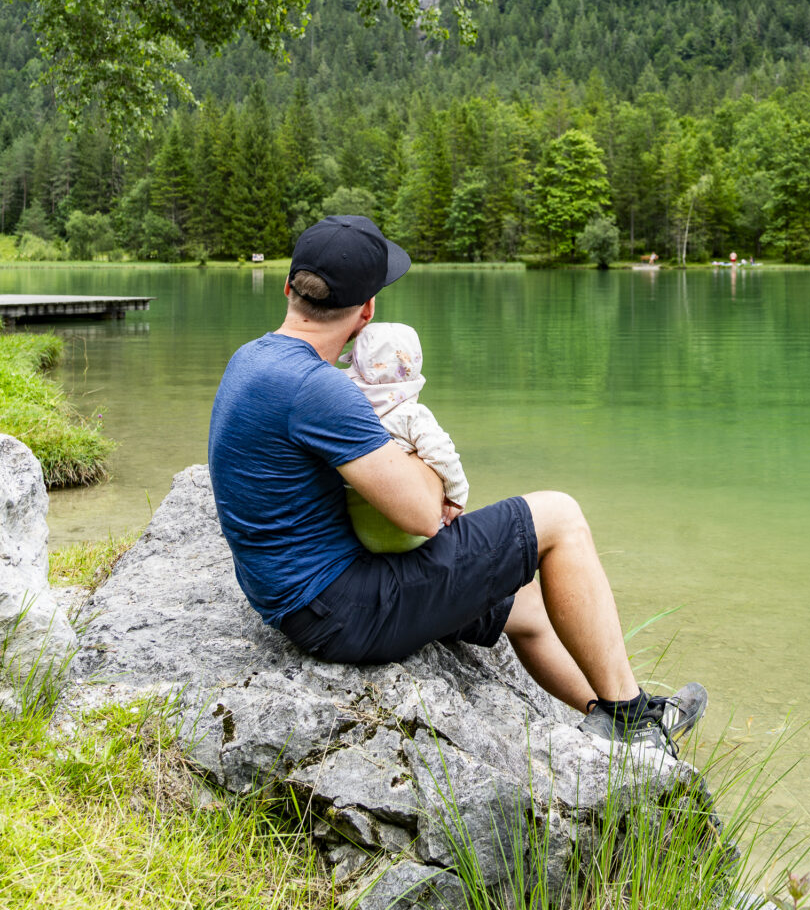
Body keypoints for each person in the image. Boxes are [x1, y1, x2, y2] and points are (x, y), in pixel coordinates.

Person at [208, 214, 706, 759]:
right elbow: (422, 514)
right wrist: (420, 452)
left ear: (289, 288)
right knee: (559, 517)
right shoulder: (319, 390)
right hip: (340, 611)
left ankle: (607, 717)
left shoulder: (252, 358)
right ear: (368, 310)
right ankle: (637, 721)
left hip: (299, 600)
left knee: (526, 604)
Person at [344, 320, 468, 554]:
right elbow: (443, 455)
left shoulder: (352, 413)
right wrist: (458, 495)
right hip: (412, 536)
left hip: (364, 534)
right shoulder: (411, 415)